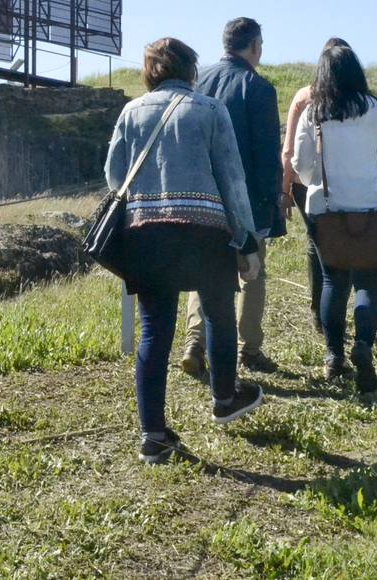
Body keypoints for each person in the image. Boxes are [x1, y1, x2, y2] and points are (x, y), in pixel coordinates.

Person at [105, 37, 265, 464]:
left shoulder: (130, 112)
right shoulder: (211, 110)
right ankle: (226, 398)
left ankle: (153, 436)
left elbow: (113, 175)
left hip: (145, 234)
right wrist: (245, 239)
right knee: (218, 313)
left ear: (150, 71)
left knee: (155, 331)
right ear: (191, 70)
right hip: (203, 232)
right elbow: (232, 179)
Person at [292, 45, 377, 394]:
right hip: (371, 206)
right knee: (369, 285)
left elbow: (301, 165)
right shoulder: (375, 109)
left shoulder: (315, 112)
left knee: (332, 282)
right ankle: (364, 346)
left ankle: (333, 356)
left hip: (327, 209)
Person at [183, 17, 284, 377]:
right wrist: (270, 204)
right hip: (243, 197)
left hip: (200, 193)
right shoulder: (257, 88)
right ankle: (249, 348)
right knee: (252, 272)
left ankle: (195, 343)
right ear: (255, 46)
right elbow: (266, 154)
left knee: (204, 270)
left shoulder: (197, 82)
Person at [281, 37, 351, 334]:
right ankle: (329, 311)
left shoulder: (305, 96)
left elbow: (290, 152)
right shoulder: (357, 99)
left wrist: (285, 190)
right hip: (340, 182)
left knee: (316, 244)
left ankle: (320, 313)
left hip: (305, 182)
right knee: (339, 245)